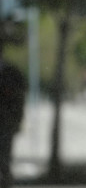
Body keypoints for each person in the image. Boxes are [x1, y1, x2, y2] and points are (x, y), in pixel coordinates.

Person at [0, 44, 26, 188]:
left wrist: (17, 121)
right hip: (7, 123)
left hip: (5, 124)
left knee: (4, 161)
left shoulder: (11, 73)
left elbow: (19, 99)